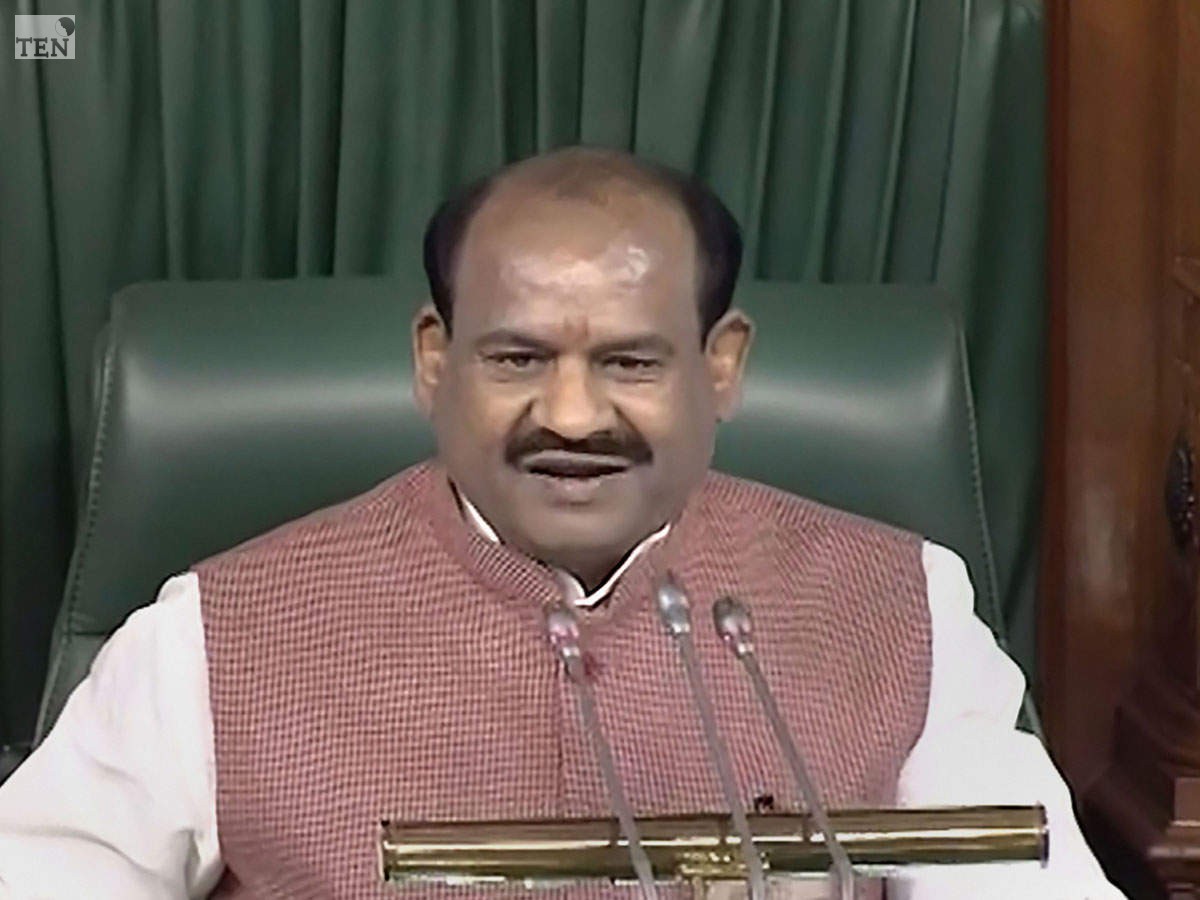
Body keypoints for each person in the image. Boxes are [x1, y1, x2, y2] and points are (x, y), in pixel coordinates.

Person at [0, 148, 1122, 899]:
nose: (573, 416)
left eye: (630, 362)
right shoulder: (214, 636)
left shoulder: (900, 605)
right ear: (434, 361)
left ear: (721, 367)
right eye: (517, 359)